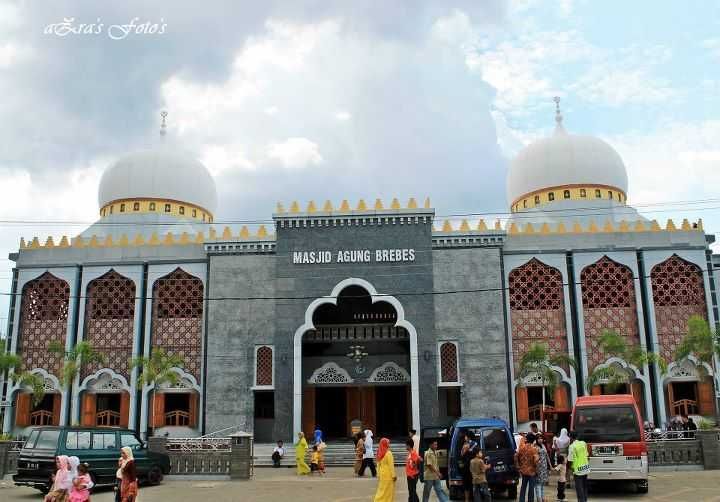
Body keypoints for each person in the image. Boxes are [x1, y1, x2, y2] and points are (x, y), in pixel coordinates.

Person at [514, 433, 538, 502]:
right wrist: (536, 467)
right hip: (532, 471)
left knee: (523, 487)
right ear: (533, 440)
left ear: (527, 439)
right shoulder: (534, 449)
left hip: (523, 470)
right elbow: (536, 460)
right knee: (531, 488)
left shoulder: (522, 448)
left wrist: (518, 466)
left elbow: (515, 456)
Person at [567, 431, 589, 502]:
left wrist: (569, 468)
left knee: (579, 489)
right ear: (577, 436)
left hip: (578, 470)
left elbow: (570, 460)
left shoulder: (571, 446)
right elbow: (586, 454)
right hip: (585, 468)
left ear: (570, 437)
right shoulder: (583, 443)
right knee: (584, 487)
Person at [373, 438, 396, 502]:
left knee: (381, 489)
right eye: (388, 443)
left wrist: (378, 474)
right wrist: (393, 475)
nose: (389, 444)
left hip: (382, 474)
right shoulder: (388, 453)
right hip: (388, 474)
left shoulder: (379, 453)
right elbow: (391, 465)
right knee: (388, 491)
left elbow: (378, 465)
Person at [460, 431, 478, 502]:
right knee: (474, 484)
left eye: (465, 436)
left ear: (468, 437)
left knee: (466, 485)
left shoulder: (466, 444)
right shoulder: (476, 444)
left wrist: (464, 450)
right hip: (474, 467)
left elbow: (462, 455)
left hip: (467, 467)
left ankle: (467, 500)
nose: (464, 437)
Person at [534, 435, 551, 502]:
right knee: (538, 484)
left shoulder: (543, 446)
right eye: (539, 438)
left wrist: (550, 465)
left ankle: (542, 498)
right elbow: (535, 459)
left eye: (541, 438)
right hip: (538, 467)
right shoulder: (535, 447)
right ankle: (539, 499)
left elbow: (547, 456)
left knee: (542, 483)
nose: (540, 440)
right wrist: (536, 468)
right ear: (536, 439)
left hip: (544, 467)